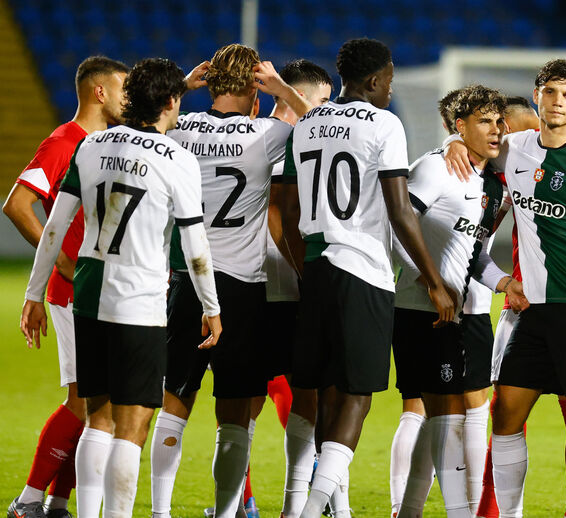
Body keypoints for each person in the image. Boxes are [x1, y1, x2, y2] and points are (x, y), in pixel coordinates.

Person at [20, 57, 222, 518]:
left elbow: (54, 227)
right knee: (132, 425)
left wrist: (33, 294)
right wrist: (211, 305)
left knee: (98, 418)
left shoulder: (90, 147)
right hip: (140, 302)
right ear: (171, 102)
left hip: (89, 296)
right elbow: (194, 242)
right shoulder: (178, 159)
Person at [278, 38, 457, 518]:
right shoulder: (385, 123)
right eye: (390, 82)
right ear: (376, 80)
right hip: (363, 270)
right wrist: (433, 280)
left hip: (316, 268)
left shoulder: (308, 123)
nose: (391, 91)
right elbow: (400, 210)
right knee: (357, 395)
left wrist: (304, 267)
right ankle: (315, 509)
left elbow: (290, 209)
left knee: (323, 393)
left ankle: (327, 506)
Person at [446, 59, 566, 518]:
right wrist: (453, 139)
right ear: (536, 96)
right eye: (550, 92)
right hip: (532, 310)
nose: (557, 102)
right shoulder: (515, 149)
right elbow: (475, 139)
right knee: (506, 412)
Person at [150, 44, 310, 518]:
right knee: (235, 413)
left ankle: (159, 512)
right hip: (240, 286)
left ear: (212, 85)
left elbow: (134, 117)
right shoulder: (265, 133)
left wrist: (180, 88)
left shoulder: (180, 128)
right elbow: (322, 123)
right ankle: (224, 514)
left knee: (175, 399)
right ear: (253, 93)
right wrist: (283, 88)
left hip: (184, 280)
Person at [391, 85, 526, 518]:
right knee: (446, 420)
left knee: (441, 421)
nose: (498, 131)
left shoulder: (490, 185)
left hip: (450, 315)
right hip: (422, 313)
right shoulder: (436, 168)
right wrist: (429, 282)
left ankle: (408, 511)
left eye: (498, 122)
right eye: (485, 121)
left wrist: (504, 282)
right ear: (459, 126)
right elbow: (395, 226)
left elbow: (474, 253)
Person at [3, 55, 128, 518]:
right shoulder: (64, 141)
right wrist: (58, 262)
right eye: (122, 89)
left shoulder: (105, 145)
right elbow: (17, 205)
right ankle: (29, 501)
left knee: (103, 407)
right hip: (73, 290)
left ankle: (56, 502)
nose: (128, 98)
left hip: (98, 289)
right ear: (100, 92)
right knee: (85, 403)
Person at [472, 96, 566, 518]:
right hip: (525, 308)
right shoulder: (498, 184)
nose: (521, 142)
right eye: (510, 135)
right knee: (506, 412)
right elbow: (474, 245)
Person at [256, 58, 334, 518]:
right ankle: (296, 504)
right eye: (321, 101)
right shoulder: (293, 139)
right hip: (285, 283)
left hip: (234, 284)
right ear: (294, 95)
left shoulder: (241, 133)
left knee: (240, 404)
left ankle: (241, 501)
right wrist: (309, 274)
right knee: (309, 395)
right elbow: (278, 215)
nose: (324, 111)